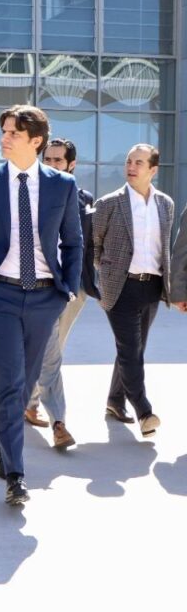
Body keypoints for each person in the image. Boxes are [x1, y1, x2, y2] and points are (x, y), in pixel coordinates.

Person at [0, 105, 82, 507]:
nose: (5, 138)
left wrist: (67, 289)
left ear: (36, 141)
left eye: (13, 133)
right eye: (4, 131)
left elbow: (73, 242)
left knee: (27, 383)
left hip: (46, 297)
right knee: (10, 382)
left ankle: (2, 445)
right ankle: (15, 474)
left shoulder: (62, 185)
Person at [93, 144, 173, 438]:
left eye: (139, 162)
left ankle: (115, 401)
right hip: (121, 287)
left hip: (152, 286)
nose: (131, 166)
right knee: (130, 351)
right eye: (129, 161)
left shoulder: (165, 204)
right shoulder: (108, 204)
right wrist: (108, 274)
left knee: (134, 350)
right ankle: (144, 411)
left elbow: (164, 249)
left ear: (153, 170)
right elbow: (94, 245)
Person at [25, 138, 98, 448]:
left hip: (71, 288)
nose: (53, 164)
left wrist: (88, 283)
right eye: (49, 159)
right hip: (36, 285)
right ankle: (57, 421)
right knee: (47, 353)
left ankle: (32, 403)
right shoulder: (28, 193)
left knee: (53, 349)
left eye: (58, 160)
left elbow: (87, 243)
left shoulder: (84, 198)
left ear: (72, 165)